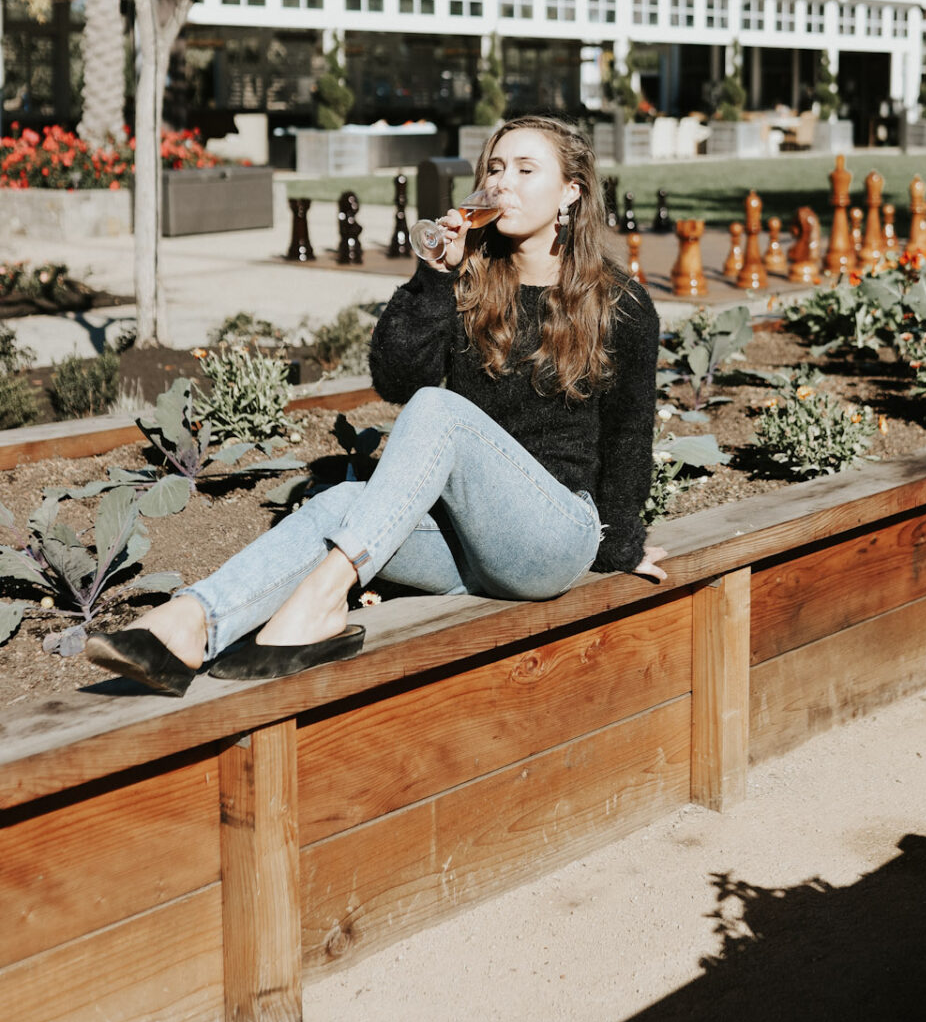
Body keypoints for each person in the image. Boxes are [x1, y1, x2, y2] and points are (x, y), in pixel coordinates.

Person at [86, 116, 664, 696]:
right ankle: (188, 625)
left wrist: (621, 546)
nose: (502, 183)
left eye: (525, 170)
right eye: (494, 168)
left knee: (439, 410)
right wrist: (435, 276)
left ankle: (321, 598)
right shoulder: (467, 282)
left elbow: (628, 435)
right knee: (340, 500)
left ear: (571, 191)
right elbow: (395, 378)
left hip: (550, 539)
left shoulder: (621, 304)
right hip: (467, 543)